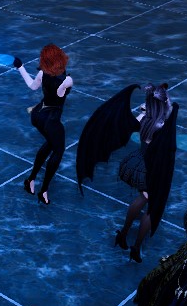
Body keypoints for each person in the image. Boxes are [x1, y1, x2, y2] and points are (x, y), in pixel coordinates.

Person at [75, 83, 177, 262]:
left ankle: (123, 234)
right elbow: (168, 112)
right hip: (152, 169)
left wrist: (151, 103)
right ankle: (136, 248)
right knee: (152, 208)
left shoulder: (143, 118)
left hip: (138, 163)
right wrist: (167, 103)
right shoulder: (162, 125)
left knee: (143, 198)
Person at [13, 44, 73, 205]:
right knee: (58, 150)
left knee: (50, 144)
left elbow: (32, 86)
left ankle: (30, 180)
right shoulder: (67, 80)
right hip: (51, 120)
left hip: (37, 116)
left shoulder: (42, 73)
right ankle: (43, 190)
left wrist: (20, 67)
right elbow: (62, 90)